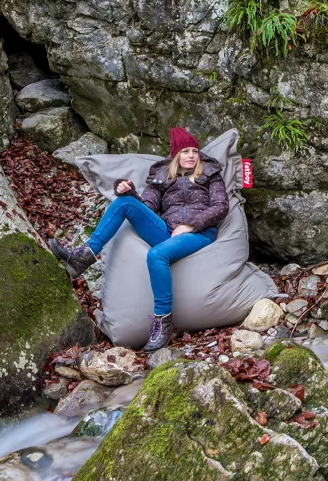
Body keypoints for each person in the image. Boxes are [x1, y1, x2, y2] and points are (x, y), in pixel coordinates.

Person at [50, 127, 229, 352]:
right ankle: (84, 255)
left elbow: (221, 206)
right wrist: (129, 192)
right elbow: (147, 208)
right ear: (175, 156)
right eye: (185, 151)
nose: (191, 155)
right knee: (123, 203)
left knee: (156, 255)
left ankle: (163, 321)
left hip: (199, 233)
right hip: (167, 231)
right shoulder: (162, 176)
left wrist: (191, 225)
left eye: (194, 151)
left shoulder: (210, 174)